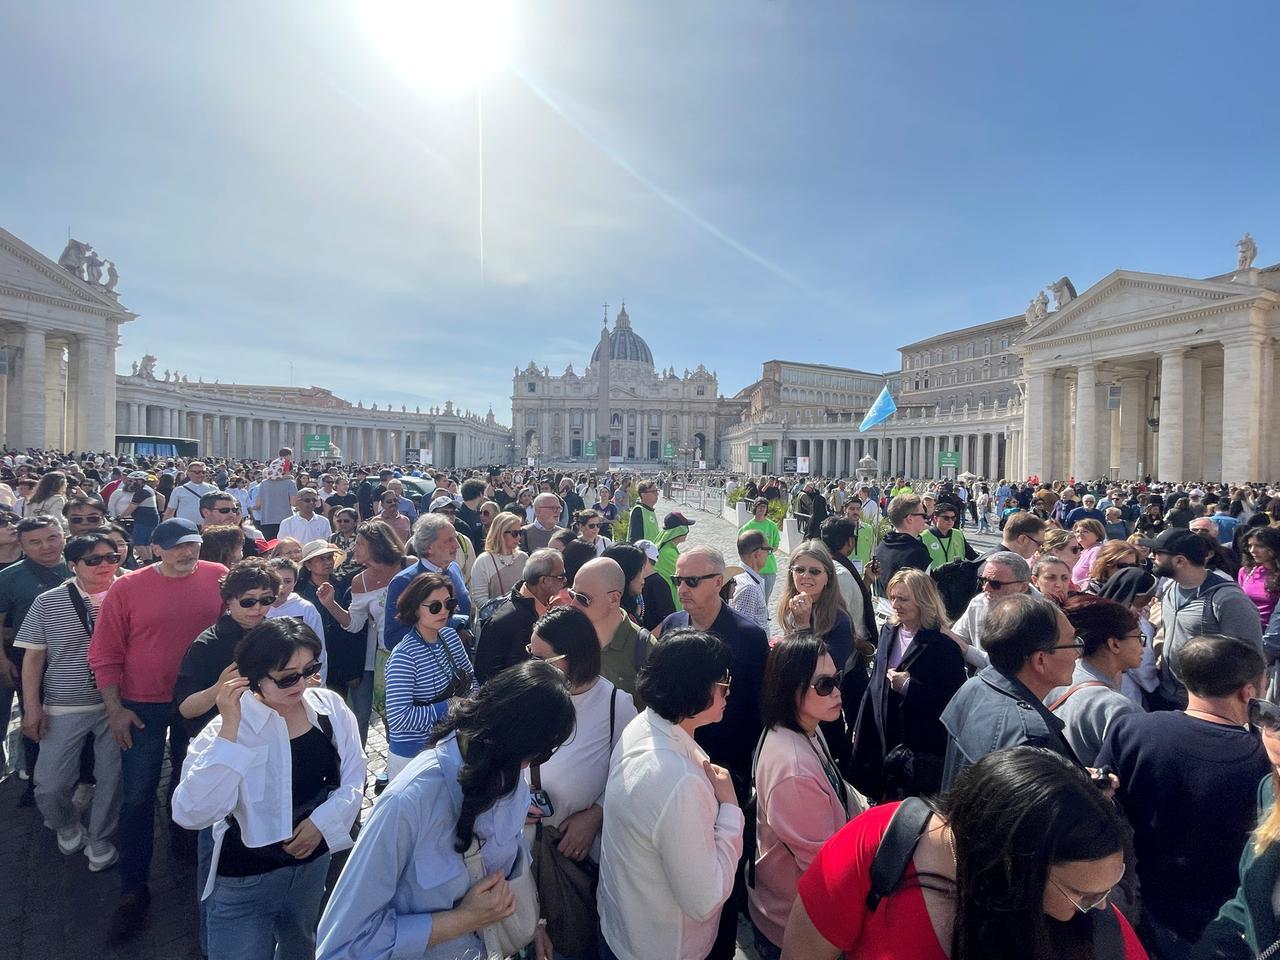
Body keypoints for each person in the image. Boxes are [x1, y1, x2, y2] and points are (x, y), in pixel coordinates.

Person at [783, 747, 1146, 960]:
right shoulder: (882, 845)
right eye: (1085, 896)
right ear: (1012, 864)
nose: (1102, 907)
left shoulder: (1102, 933)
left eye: (1107, 890)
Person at [317, 660, 573, 960]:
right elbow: (341, 945)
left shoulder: (510, 777)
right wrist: (460, 920)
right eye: (541, 752)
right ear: (518, 740)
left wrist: (531, 924)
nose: (536, 762)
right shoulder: (408, 803)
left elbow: (508, 867)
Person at [172, 618, 365, 960]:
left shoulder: (328, 709)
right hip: (244, 879)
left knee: (300, 948)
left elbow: (353, 775)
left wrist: (323, 822)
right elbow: (191, 812)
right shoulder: (226, 728)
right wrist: (230, 730)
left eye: (310, 670)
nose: (302, 683)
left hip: (310, 868)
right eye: (288, 677)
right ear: (254, 678)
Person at [88, 517, 227, 944]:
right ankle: (134, 884)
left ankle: (185, 849)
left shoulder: (218, 577)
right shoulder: (126, 588)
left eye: (193, 544)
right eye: (177, 547)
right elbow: (106, 652)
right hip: (142, 703)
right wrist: (114, 709)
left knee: (193, 780)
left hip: (201, 702)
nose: (187, 553)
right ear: (154, 549)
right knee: (137, 793)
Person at [1097, 634, 1270, 956]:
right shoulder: (1263, 759)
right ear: (1249, 692)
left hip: (1151, 909)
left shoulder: (1130, 731)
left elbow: (1104, 808)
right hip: (1228, 924)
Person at [597, 630, 744, 960]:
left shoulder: (642, 724)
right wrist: (732, 811)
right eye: (723, 683)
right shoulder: (679, 783)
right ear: (694, 689)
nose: (728, 691)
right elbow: (704, 899)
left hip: (623, 932)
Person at [657, 546, 769, 959]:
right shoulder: (671, 626)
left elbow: (760, 708)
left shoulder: (748, 638)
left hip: (729, 772)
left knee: (725, 872)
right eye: (677, 580)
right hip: (679, 764)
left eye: (691, 581)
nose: (682, 589)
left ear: (718, 583)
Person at [526, 606, 638, 955]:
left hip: (583, 864)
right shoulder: (529, 693)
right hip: (525, 860)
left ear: (573, 657)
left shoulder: (617, 705)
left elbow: (631, 780)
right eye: (530, 654)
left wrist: (596, 813)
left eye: (543, 659)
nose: (531, 666)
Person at [748, 635, 864, 960]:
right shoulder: (793, 769)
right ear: (790, 688)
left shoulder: (805, 728)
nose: (837, 691)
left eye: (836, 680)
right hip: (795, 930)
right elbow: (824, 868)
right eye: (824, 685)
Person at [17, 531, 123, 872]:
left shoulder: (130, 590)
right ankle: (66, 824)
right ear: (73, 565)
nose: (105, 565)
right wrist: (32, 708)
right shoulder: (49, 601)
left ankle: (100, 836)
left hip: (119, 702)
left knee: (112, 777)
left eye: (112, 557)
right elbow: (33, 658)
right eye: (94, 560)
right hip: (66, 702)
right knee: (48, 784)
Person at [940, 593, 1083, 789]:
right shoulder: (1031, 743)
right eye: (1073, 642)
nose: (1077, 652)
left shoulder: (972, 688)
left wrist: (1073, 778)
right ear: (1040, 660)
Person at [849, 568, 966, 800]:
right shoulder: (888, 631)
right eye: (892, 597)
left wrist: (910, 688)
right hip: (881, 737)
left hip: (917, 749)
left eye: (903, 599)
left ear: (923, 601)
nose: (895, 604)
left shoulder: (944, 646)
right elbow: (874, 685)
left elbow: (955, 703)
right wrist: (859, 725)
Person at [1194, 697, 1280, 959]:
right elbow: (1251, 896)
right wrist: (1213, 944)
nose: (1276, 735)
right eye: (1271, 717)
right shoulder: (1270, 790)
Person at [315, 519, 407, 745]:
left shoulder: (409, 566)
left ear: (377, 545)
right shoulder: (360, 582)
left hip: (420, 649)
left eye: (360, 543)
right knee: (391, 718)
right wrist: (330, 604)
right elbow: (354, 623)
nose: (354, 548)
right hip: (388, 658)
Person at [0, 515, 71, 804]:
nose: (46, 547)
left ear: (63, 536)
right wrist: (2, 659)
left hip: (74, 654)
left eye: (52, 538)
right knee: (35, 714)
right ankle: (34, 780)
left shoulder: (81, 565)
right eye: (35, 542)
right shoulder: (9, 577)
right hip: (28, 656)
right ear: (22, 544)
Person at [1151, 528, 1262, 710]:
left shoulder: (1228, 599)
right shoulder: (1170, 588)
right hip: (1168, 695)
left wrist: (1246, 710)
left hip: (1207, 706)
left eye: (1157, 553)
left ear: (1180, 560)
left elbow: (1252, 658)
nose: (1151, 557)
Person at [383, 572, 478, 780]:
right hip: (414, 756)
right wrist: (449, 705)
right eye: (435, 606)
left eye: (448, 604)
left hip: (448, 744)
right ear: (415, 608)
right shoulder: (404, 656)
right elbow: (399, 719)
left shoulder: (451, 636)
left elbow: (471, 679)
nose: (444, 611)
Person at [175, 559, 282, 738]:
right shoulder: (208, 644)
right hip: (219, 737)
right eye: (248, 602)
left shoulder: (278, 636)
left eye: (266, 600)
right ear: (229, 600)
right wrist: (219, 687)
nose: (257, 608)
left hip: (269, 733)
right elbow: (186, 709)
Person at [1045, 594, 1143, 766]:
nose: (1143, 646)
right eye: (1138, 637)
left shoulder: (1058, 680)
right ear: (1114, 644)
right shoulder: (1118, 708)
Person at [473, 548, 564, 683]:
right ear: (544, 581)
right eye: (560, 576)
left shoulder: (548, 606)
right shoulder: (508, 620)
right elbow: (488, 675)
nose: (565, 580)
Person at [384, 513, 472, 651]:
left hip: (459, 661)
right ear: (428, 547)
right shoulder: (403, 581)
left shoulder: (454, 568)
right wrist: (445, 630)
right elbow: (392, 638)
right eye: (449, 540)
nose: (456, 545)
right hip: (426, 667)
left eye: (455, 538)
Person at [571, 556, 652, 704]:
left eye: (583, 598)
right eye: (572, 594)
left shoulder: (643, 647)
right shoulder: (571, 636)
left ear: (614, 599)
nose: (573, 604)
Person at [774, 541, 854, 673]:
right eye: (799, 570)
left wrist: (804, 628)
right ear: (791, 573)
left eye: (815, 571)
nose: (806, 576)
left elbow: (827, 672)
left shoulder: (840, 620)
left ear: (827, 577)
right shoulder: (790, 606)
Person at [950, 551, 1032, 669]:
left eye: (995, 584)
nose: (985, 588)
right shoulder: (978, 603)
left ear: (1022, 587)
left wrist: (966, 649)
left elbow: (1007, 666)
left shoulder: (1040, 614)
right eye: (983, 580)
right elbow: (958, 638)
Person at [870, 493, 931, 595]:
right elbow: (922, 595)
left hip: (880, 607)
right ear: (910, 518)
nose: (926, 519)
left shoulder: (882, 545)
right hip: (904, 609)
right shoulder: (917, 553)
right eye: (923, 515)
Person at [468, 511, 528, 611]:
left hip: (523, 619)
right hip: (494, 622)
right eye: (514, 533)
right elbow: (479, 599)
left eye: (520, 532)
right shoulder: (483, 561)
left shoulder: (523, 558)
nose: (519, 537)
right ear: (500, 533)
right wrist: (504, 613)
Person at [1238, 525, 1280, 632]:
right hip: (1248, 630)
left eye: (1259, 546)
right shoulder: (1245, 571)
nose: (1253, 550)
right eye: (1250, 546)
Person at [739, 498, 781, 601]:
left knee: (764, 600)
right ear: (755, 507)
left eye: (764, 507)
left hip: (769, 569)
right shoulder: (746, 528)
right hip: (752, 569)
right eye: (759, 506)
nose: (762, 509)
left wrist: (766, 551)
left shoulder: (772, 526)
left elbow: (775, 545)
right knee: (752, 598)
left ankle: (764, 617)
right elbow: (742, 549)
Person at [730, 529, 771, 633]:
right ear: (757, 553)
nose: (768, 555)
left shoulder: (743, 577)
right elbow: (743, 631)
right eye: (767, 550)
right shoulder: (749, 588)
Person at [920, 503, 978, 571]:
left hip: (956, 579)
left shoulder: (958, 534)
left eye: (953, 518)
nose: (950, 521)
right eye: (946, 518)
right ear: (935, 519)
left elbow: (972, 556)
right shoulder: (924, 537)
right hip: (934, 580)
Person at [1072, 519, 1107, 585]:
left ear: (1097, 535)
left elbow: (1094, 576)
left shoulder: (1097, 550)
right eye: (1077, 531)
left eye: (1085, 531)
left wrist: (1074, 586)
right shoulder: (1084, 551)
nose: (1080, 534)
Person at [628, 480, 661, 544]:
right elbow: (635, 539)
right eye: (653, 491)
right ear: (643, 494)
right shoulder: (638, 510)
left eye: (657, 491)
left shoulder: (650, 511)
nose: (657, 494)